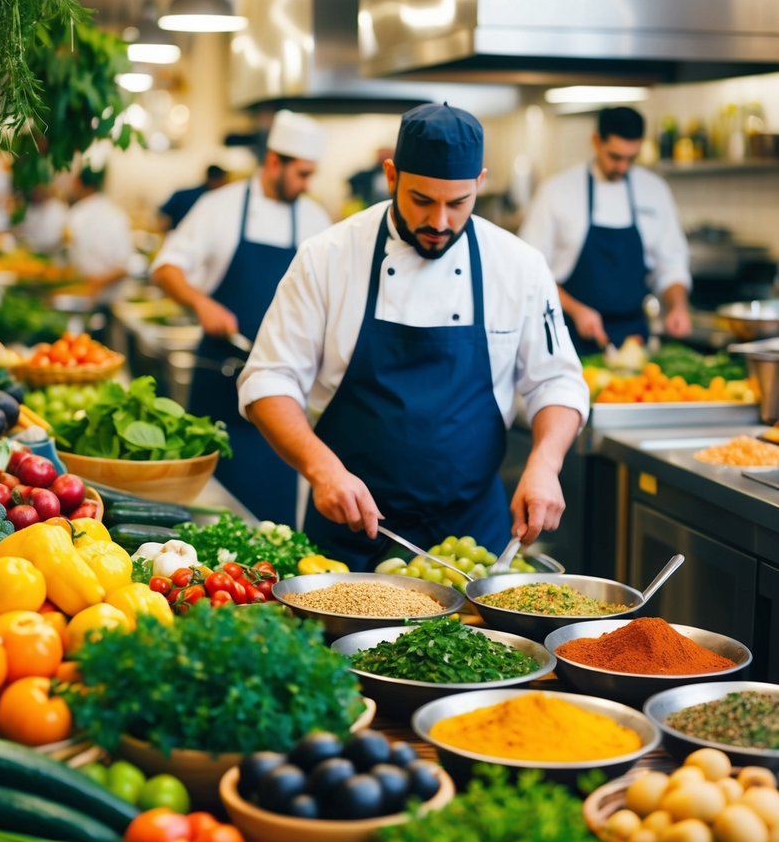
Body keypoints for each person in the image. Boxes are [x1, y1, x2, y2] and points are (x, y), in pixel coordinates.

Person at [238, 102, 590, 570]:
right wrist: (321, 470)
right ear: (391, 176)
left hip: (474, 546)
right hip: (349, 537)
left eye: (458, 203)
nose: (440, 222)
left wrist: (545, 464)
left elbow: (558, 382)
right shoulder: (328, 257)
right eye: (422, 200)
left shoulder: (519, 266)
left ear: (480, 184)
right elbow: (267, 381)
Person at [151, 110, 331, 525]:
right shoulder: (220, 207)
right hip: (221, 378)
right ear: (273, 162)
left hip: (285, 393)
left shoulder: (314, 219)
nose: (307, 185)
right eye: (302, 174)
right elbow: (166, 268)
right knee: (209, 509)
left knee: (274, 519)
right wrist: (202, 304)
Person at [518, 106, 692, 357]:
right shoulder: (557, 192)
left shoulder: (655, 191)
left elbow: (672, 263)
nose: (622, 167)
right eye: (614, 157)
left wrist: (677, 307)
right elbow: (530, 270)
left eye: (631, 159)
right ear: (596, 141)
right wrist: (577, 310)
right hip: (566, 336)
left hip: (634, 338)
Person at [66, 166, 133, 293]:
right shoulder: (117, 214)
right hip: (106, 297)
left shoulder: (76, 214)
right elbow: (124, 267)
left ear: (78, 183)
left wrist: (94, 283)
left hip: (84, 294)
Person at [158, 164, 228, 231]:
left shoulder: (182, 194)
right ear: (216, 180)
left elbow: (162, 212)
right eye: (223, 181)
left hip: (178, 237)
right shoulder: (212, 198)